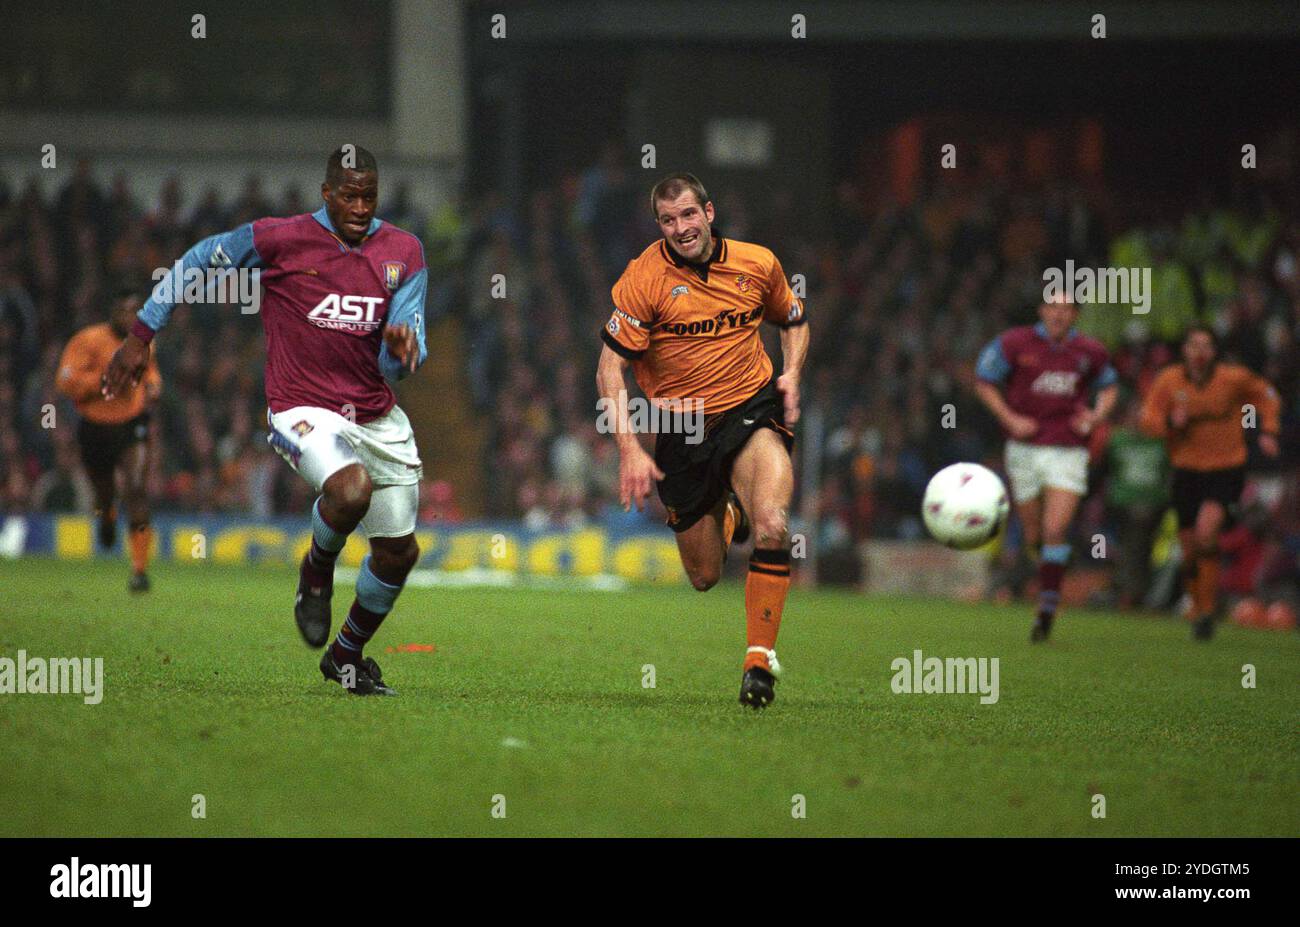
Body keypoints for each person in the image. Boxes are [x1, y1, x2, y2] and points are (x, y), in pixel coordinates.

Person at [103, 146, 428, 695]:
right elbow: (203, 259)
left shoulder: (405, 252)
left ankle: (346, 657)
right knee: (351, 491)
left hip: (375, 413)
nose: (359, 206)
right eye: (348, 194)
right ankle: (316, 570)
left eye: (368, 196)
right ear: (326, 194)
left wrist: (400, 349)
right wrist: (142, 334)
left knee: (399, 553)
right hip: (300, 407)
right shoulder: (281, 239)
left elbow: (399, 359)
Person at [595, 173, 809, 708]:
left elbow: (795, 319)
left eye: (688, 215)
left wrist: (793, 373)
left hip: (749, 407)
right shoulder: (644, 278)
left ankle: (759, 662)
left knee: (774, 524)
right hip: (680, 425)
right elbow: (608, 370)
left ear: (708, 213)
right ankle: (726, 513)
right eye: (668, 220)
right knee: (705, 576)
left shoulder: (758, 263)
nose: (680, 228)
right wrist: (629, 448)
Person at [974, 296, 1119, 641]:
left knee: (1056, 529)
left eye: (1066, 308)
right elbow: (983, 379)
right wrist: (1010, 418)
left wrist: (1097, 416)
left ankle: (1047, 610)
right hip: (1024, 449)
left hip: (1067, 450)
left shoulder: (1090, 351)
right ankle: (1048, 580)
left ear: (1075, 315)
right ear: (1041, 310)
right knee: (1034, 536)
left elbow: (1110, 387)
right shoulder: (1015, 343)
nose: (1058, 313)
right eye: (1052, 306)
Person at [1139, 325, 1281, 639]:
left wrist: (1268, 430)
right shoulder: (1169, 381)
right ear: (1185, 350)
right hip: (1186, 470)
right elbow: (1147, 418)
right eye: (1193, 345)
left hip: (1225, 468)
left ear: (1214, 352)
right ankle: (1200, 609)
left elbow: (1267, 395)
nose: (1200, 352)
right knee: (1189, 548)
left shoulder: (1233, 379)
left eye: (1206, 345)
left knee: (1206, 533)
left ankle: (1206, 609)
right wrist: (1167, 423)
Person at [56, 279, 161, 591]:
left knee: (137, 488)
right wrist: (101, 380)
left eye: (135, 311)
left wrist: (154, 386)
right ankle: (106, 515)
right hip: (95, 426)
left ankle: (139, 571)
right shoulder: (87, 340)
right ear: (113, 312)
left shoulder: (145, 342)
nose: (130, 317)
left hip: (131, 422)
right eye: (124, 311)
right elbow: (65, 379)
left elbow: (151, 372)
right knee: (104, 492)